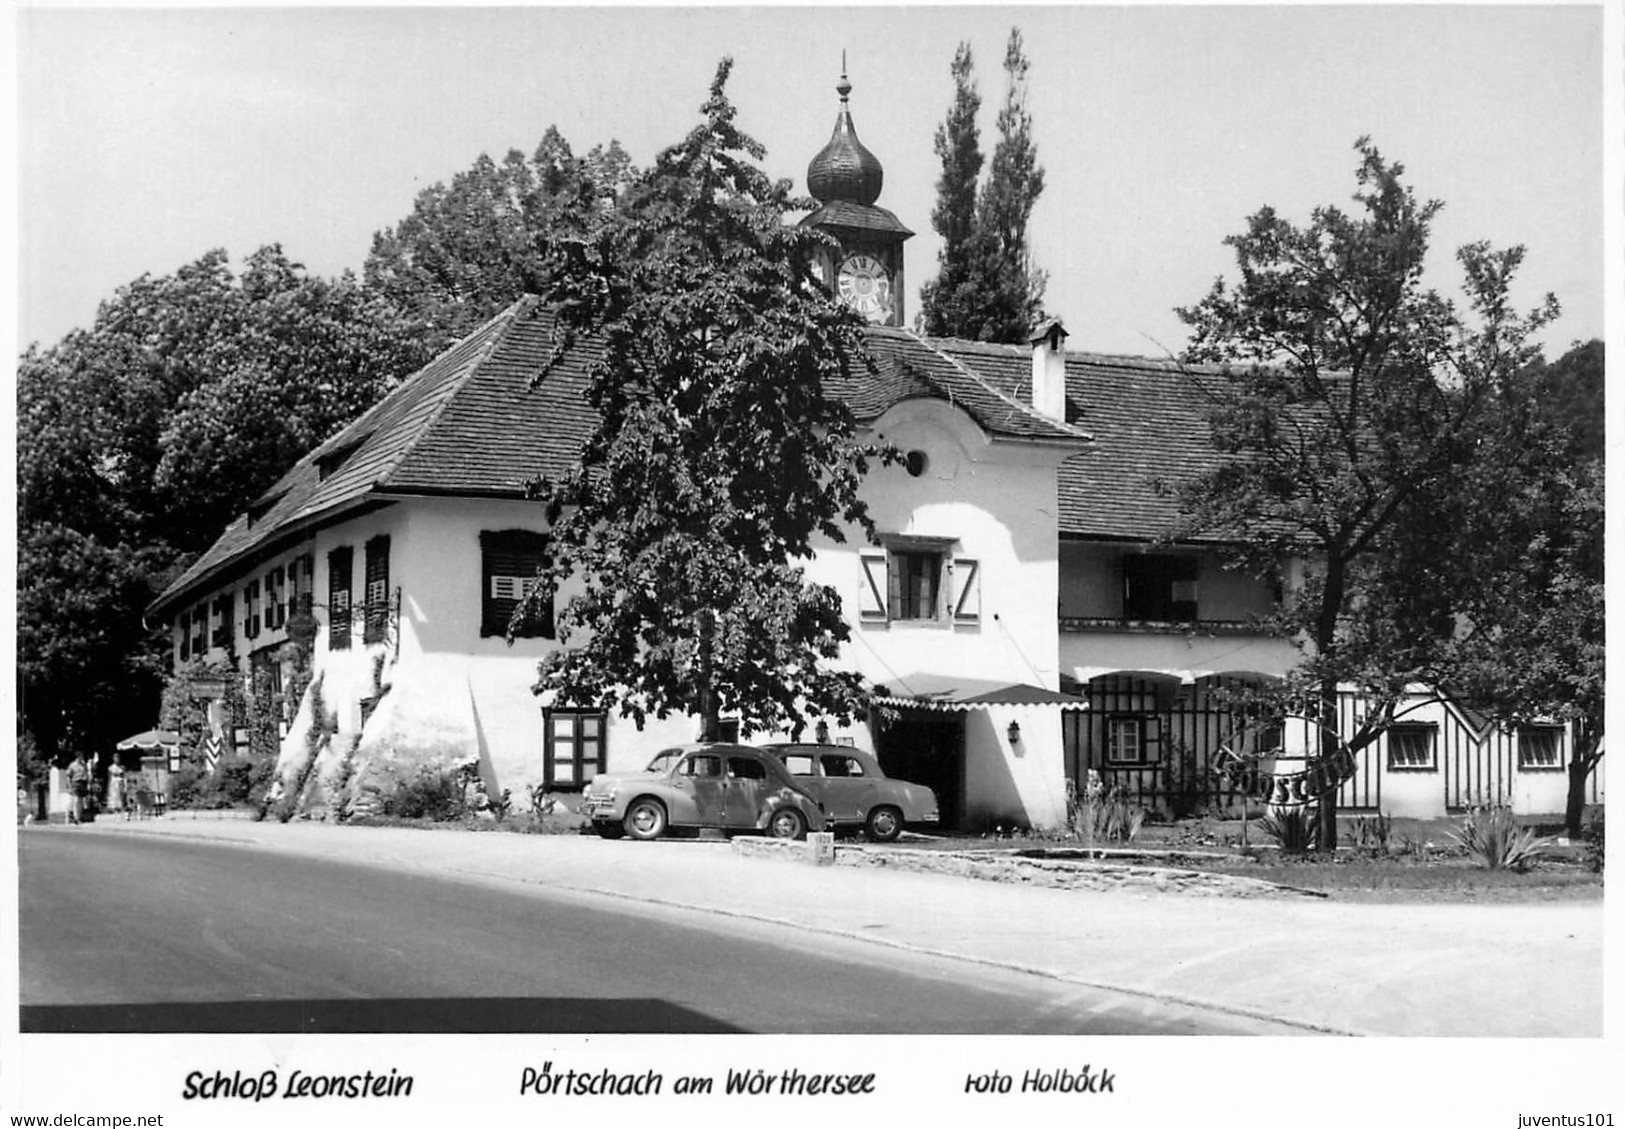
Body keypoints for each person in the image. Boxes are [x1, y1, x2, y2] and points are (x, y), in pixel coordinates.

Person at [65, 754, 90, 825]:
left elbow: (86, 774)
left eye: (82, 757)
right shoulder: (72, 765)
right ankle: (75, 817)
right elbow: (68, 776)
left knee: (81, 801)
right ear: (77, 757)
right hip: (75, 782)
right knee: (76, 800)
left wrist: (87, 783)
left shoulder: (84, 765)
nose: (81, 758)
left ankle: (79, 817)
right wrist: (69, 786)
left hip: (83, 783)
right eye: (80, 757)